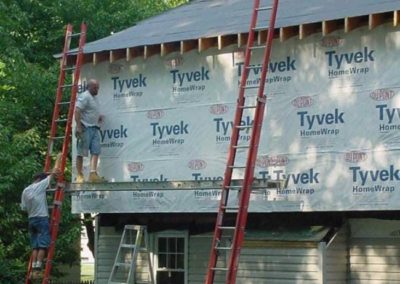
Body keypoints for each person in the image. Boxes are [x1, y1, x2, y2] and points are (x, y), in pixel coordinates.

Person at [21, 153, 61, 275]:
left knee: (35, 246)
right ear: (40, 179)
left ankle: (33, 265)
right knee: (43, 245)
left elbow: (23, 208)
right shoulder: (40, 185)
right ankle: (38, 266)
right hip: (41, 218)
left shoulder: (26, 190)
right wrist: (59, 158)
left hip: (31, 219)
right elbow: (53, 173)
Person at [75, 78, 106, 183]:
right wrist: (78, 126)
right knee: (81, 152)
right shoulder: (85, 96)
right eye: (95, 88)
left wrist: (98, 117)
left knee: (96, 151)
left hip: (94, 127)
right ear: (89, 87)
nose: (97, 90)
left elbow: (91, 111)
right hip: (85, 128)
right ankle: (79, 175)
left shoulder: (94, 97)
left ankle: (93, 174)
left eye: (98, 88)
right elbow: (77, 111)